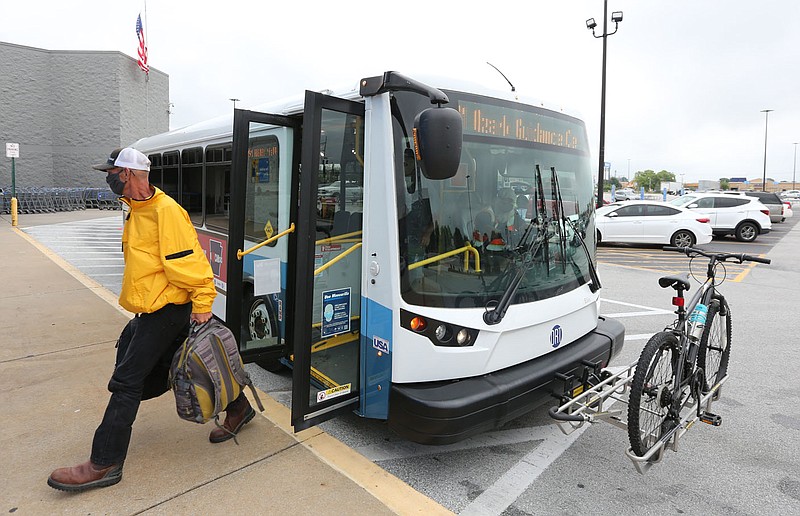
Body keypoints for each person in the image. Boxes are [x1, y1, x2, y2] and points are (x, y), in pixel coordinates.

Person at [47, 148, 253, 492]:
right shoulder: (135, 209)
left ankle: (105, 462)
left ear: (126, 173)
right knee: (177, 364)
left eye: (110, 173)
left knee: (126, 382)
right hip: (152, 308)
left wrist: (203, 302)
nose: (108, 178)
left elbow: (193, 264)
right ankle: (240, 408)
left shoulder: (165, 212)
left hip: (167, 310)